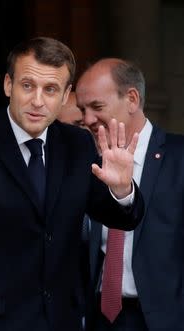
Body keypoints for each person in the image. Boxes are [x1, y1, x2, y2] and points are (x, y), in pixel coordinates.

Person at [0, 37, 144, 331]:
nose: (38, 101)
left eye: (50, 89)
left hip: (60, 321)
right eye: (28, 85)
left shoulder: (77, 146)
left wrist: (121, 189)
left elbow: (121, 218)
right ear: (7, 85)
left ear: (66, 96)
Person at [76, 58, 184, 331]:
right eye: (82, 109)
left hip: (164, 319)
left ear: (132, 99)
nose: (87, 119)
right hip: (99, 317)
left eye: (96, 107)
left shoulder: (179, 157)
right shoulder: (86, 162)